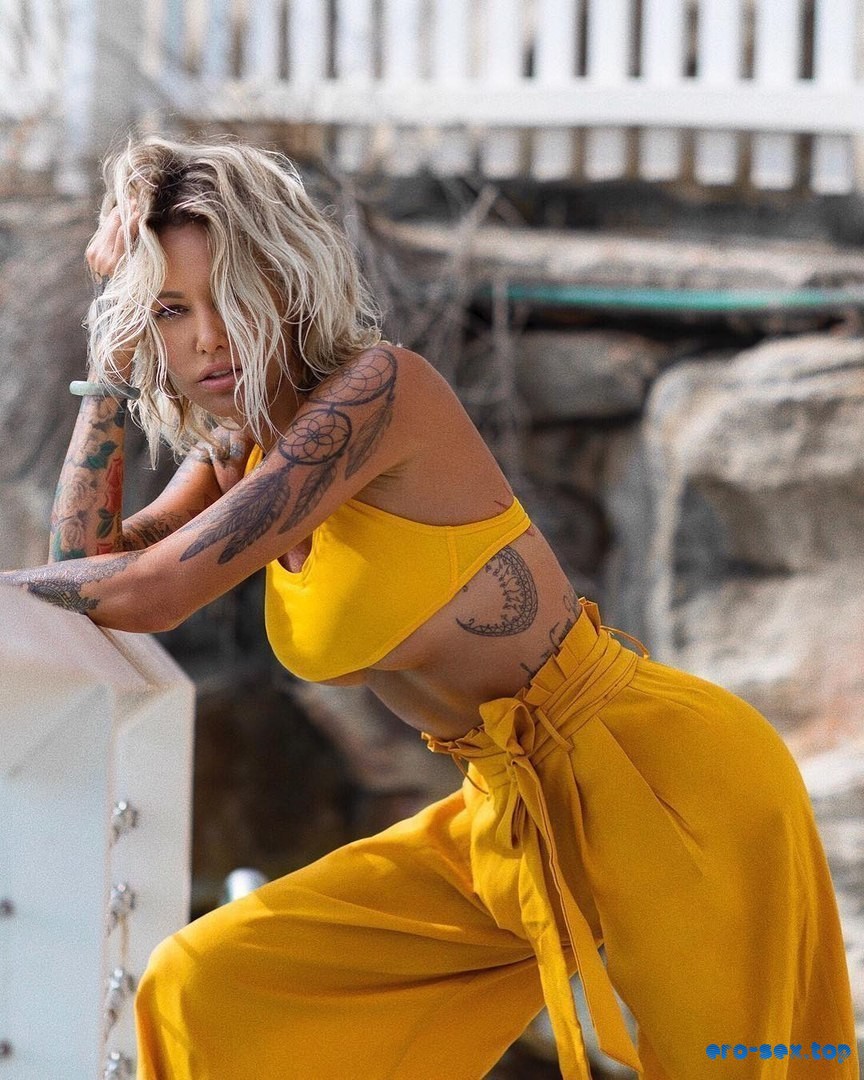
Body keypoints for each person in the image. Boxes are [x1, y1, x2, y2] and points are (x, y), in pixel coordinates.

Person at [1, 136, 858, 1080]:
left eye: (234, 297)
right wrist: (110, 358)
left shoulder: (381, 394)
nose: (208, 336)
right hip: (501, 812)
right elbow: (86, 572)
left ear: (290, 290)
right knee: (208, 983)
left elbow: (153, 592)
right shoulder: (234, 453)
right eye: (170, 309)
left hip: (659, 775)